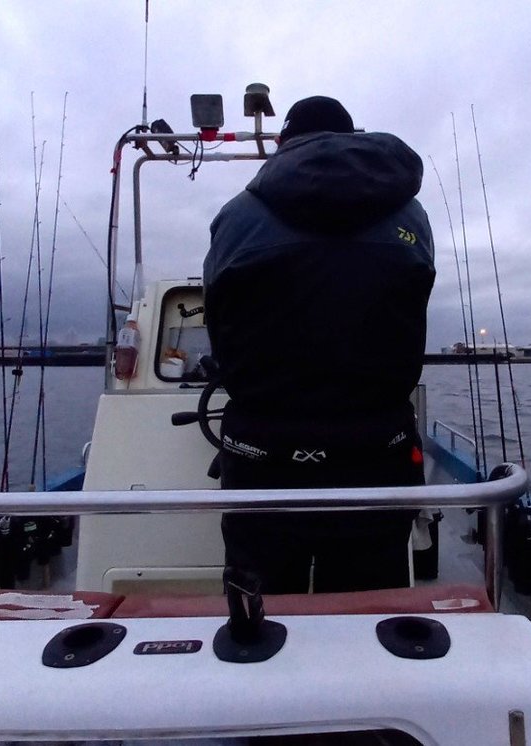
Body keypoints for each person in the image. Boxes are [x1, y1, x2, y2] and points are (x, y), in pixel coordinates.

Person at [203, 96, 435, 594]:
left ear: (282, 143)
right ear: (352, 139)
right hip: (378, 449)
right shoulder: (411, 214)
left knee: (260, 615)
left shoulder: (236, 215)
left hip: (261, 453)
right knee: (368, 611)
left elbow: (220, 325)